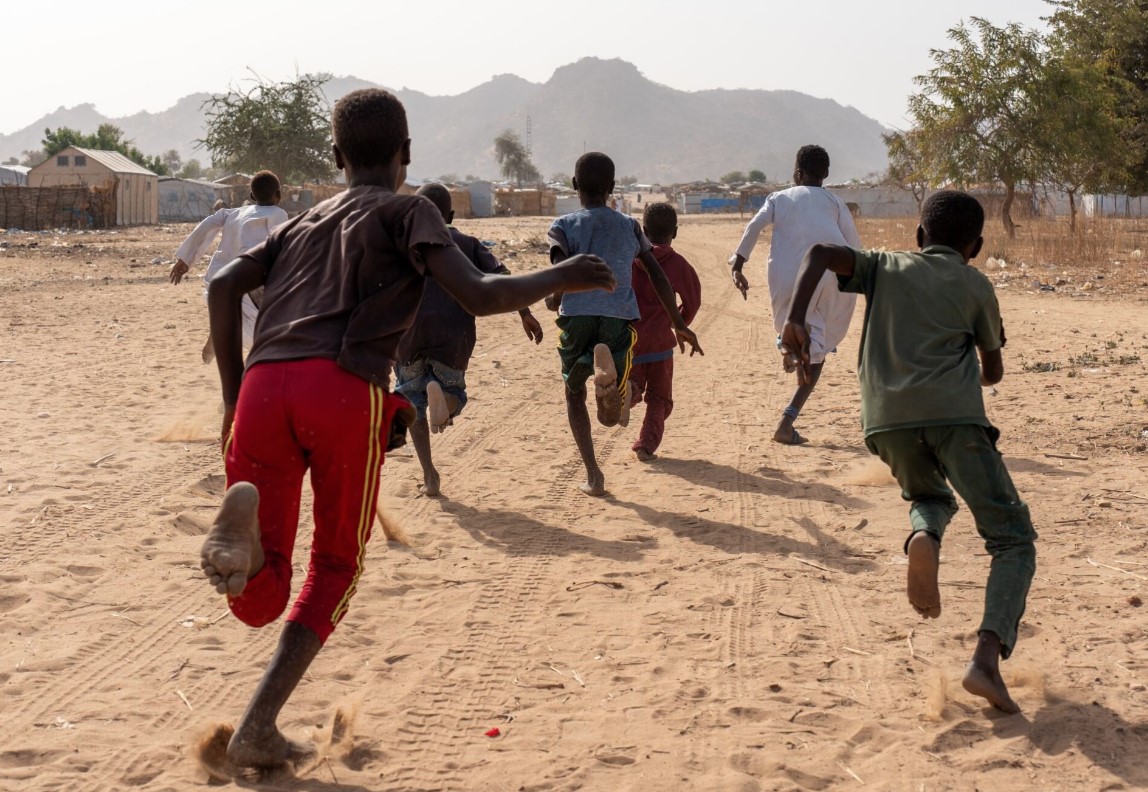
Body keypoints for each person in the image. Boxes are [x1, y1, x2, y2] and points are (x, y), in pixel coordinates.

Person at [199, 88, 615, 770]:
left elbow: (221, 288)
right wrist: (563, 273)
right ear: (407, 154)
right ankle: (258, 726)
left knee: (262, 579)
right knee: (336, 564)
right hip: (339, 386)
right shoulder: (408, 209)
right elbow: (478, 295)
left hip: (263, 388)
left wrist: (230, 399)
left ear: (335, 157)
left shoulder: (302, 223)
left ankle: (241, 587)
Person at [781, 190, 1036, 715]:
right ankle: (985, 660)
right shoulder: (975, 284)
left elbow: (820, 256)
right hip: (956, 419)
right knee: (1012, 539)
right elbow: (993, 373)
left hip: (886, 422)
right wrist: (980, 348)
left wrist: (797, 318)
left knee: (929, 496)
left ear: (918, 237)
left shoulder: (884, 267)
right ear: (977, 246)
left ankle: (923, 533)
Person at [544, 152, 702, 496]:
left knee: (573, 392)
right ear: (613, 188)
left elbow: (559, 270)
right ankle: (610, 379)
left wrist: (554, 298)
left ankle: (593, 475)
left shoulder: (563, 226)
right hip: (618, 316)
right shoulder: (629, 226)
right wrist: (678, 322)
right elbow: (658, 275)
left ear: (574, 186)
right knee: (620, 367)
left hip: (577, 313)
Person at [395, 182, 545, 496]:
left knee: (412, 401)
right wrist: (525, 313)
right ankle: (445, 399)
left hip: (407, 335)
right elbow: (502, 277)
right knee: (453, 392)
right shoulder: (467, 243)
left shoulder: (401, 244)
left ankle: (429, 476)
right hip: (453, 334)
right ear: (451, 214)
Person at [728, 145, 861, 445]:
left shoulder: (779, 197)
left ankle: (789, 347)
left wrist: (738, 263)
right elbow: (854, 247)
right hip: (829, 275)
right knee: (820, 348)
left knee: (794, 327)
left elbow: (754, 226)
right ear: (826, 173)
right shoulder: (835, 202)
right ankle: (787, 421)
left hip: (787, 276)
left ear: (797, 172)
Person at [169, 171, 289, 359]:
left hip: (219, 280)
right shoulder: (279, 214)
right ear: (279, 195)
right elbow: (281, 247)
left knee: (239, 319)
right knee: (268, 328)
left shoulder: (232, 213)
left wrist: (186, 259)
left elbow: (207, 225)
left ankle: (219, 331)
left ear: (251, 197)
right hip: (250, 282)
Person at [628, 202, 701, 461]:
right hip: (660, 344)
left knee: (633, 381)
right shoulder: (679, 264)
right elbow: (692, 301)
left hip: (629, 341)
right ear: (676, 232)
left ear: (643, 231)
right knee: (660, 398)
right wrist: (677, 322)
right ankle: (645, 445)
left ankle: (629, 392)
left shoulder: (629, 259)